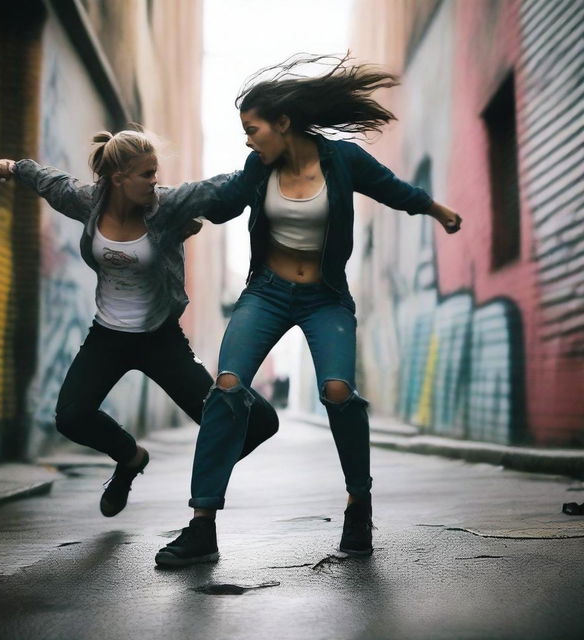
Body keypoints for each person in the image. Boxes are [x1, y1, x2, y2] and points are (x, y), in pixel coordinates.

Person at [155, 54, 462, 566]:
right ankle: (202, 526)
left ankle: (358, 504)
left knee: (339, 392)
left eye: (253, 129)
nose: (248, 140)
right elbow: (224, 202)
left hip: (325, 297)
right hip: (267, 292)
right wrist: (170, 209)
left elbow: (393, 190)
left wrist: (435, 209)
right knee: (227, 388)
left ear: (283, 123)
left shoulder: (343, 160)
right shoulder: (259, 168)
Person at [0, 128, 279, 519]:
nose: (154, 180)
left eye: (155, 171)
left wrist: (262, 158)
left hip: (161, 338)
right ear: (119, 178)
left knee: (253, 421)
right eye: (146, 174)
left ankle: (210, 472)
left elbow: (221, 189)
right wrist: (15, 167)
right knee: (71, 416)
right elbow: (53, 183)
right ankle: (130, 458)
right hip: (107, 335)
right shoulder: (90, 202)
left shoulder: (168, 205)